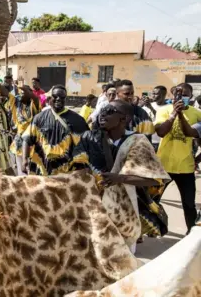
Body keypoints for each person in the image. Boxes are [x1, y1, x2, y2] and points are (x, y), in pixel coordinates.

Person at [72, 101, 170, 252]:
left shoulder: (138, 141)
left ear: (124, 119)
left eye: (110, 111)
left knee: (124, 255)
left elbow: (154, 179)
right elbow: (77, 167)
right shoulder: (89, 137)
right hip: (94, 206)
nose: (103, 114)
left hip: (125, 208)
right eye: (102, 111)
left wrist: (120, 178)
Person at [154, 82, 201, 234]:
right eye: (178, 94)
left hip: (185, 167)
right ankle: (150, 228)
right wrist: (174, 113)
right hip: (163, 165)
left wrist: (198, 159)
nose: (181, 98)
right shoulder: (164, 110)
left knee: (189, 204)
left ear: (191, 96)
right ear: (173, 96)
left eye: (185, 95)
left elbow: (193, 134)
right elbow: (161, 132)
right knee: (153, 200)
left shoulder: (197, 113)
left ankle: (192, 233)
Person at [21, 85, 89, 175]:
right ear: (50, 98)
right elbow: (27, 139)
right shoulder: (39, 118)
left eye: (62, 97)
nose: (58, 99)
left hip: (67, 173)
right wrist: (24, 159)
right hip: (42, 171)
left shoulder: (77, 120)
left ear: (66, 99)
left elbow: (87, 144)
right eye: (55, 96)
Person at [0, 83, 40, 175]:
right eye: (20, 92)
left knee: (32, 172)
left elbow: (35, 99)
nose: (21, 94)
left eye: (24, 92)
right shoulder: (16, 102)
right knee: (21, 171)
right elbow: (5, 93)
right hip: (19, 142)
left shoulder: (33, 104)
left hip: (32, 143)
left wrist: (27, 90)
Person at [142, 86, 168, 151]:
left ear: (163, 95)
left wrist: (150, 108)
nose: (153, 96)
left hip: (162, 142)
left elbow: (162, 119)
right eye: (152, 93)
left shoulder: (169, 107)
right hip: (147, 141)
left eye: (155, 94)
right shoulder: (146, 106)